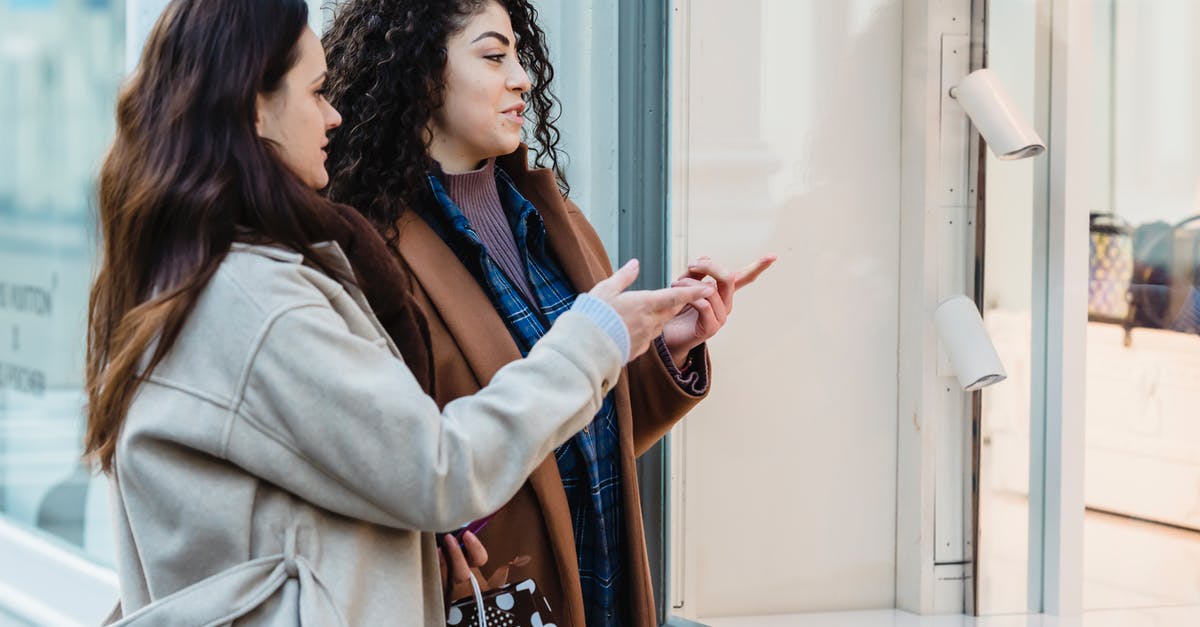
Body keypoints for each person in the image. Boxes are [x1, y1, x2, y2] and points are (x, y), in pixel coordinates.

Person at [84, 1, 713, 624]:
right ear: (255, 107)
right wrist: (593, 341)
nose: (332, 114)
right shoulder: (268, 295)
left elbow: (550, 440)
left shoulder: (548, 223)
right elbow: (436, 469)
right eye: (314, 92)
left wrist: (656, 355)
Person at [321, 1, 776, 624]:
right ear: (423, 74)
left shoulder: (554, 219)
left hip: (601, 591)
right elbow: (383, 469)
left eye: (517, 53)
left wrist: (669, 346)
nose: (522, 77)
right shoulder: (370, 254)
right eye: (492, 55)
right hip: (481, 598)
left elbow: (580, 436)